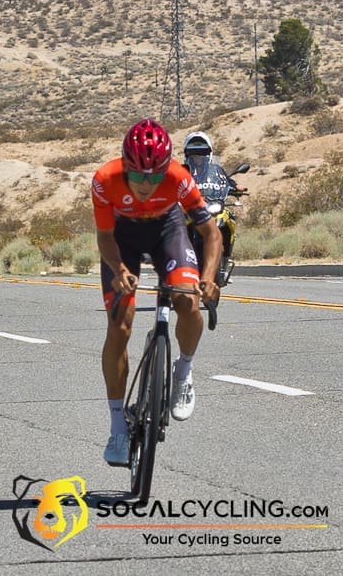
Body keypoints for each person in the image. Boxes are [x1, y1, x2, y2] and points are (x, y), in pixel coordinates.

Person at [92, 118, 221, 467]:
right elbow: (105, 238)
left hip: (168, 230)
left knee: (187, 301)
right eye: (137, 176)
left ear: (167, 167)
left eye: (155, 176)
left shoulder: (179, 178)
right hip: (124, 238)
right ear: (125, 166)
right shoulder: (105, 180)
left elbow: (211, 234)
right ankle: (118, 427)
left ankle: (183, 371)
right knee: (120, 322)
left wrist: (209, 278)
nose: (146, 184)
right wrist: (119, 271)